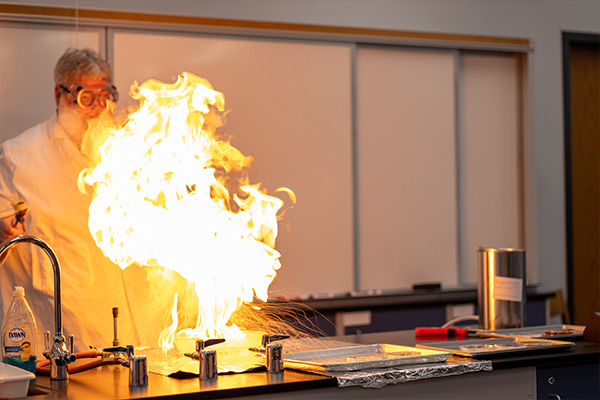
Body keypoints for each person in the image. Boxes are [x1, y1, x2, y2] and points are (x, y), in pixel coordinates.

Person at [0, 48, 144, 355]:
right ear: (59, 95)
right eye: (85, 97)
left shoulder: (129, 151)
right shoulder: (17, 158)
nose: (97, 108)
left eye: (105, 95)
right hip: (64, 350)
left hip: (136, 340)